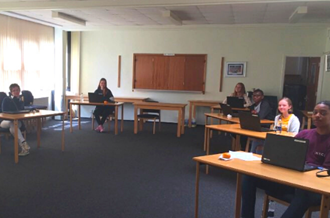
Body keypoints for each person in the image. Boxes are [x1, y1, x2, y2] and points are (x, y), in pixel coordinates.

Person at [241, 101, 330, 218]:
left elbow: (325, 173)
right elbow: (287, 156)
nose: (318, 115)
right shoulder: (304, 134)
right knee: (249, 177)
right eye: (315, 112)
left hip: (315, 189)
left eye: (323, 113)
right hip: (293, 180)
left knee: (303, 194)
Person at [0, 83, 30, 156]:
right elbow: (3, 111)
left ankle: (24, 148)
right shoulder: (6, 99)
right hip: (4, 121)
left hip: (16, 121)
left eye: (17, 90)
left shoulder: (20, 100)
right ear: (11, 92)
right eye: (14, 90)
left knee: (13, 128)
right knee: (12, 123)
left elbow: (21, 111)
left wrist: (18, 101)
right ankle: (23, 143)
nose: (16, 92)